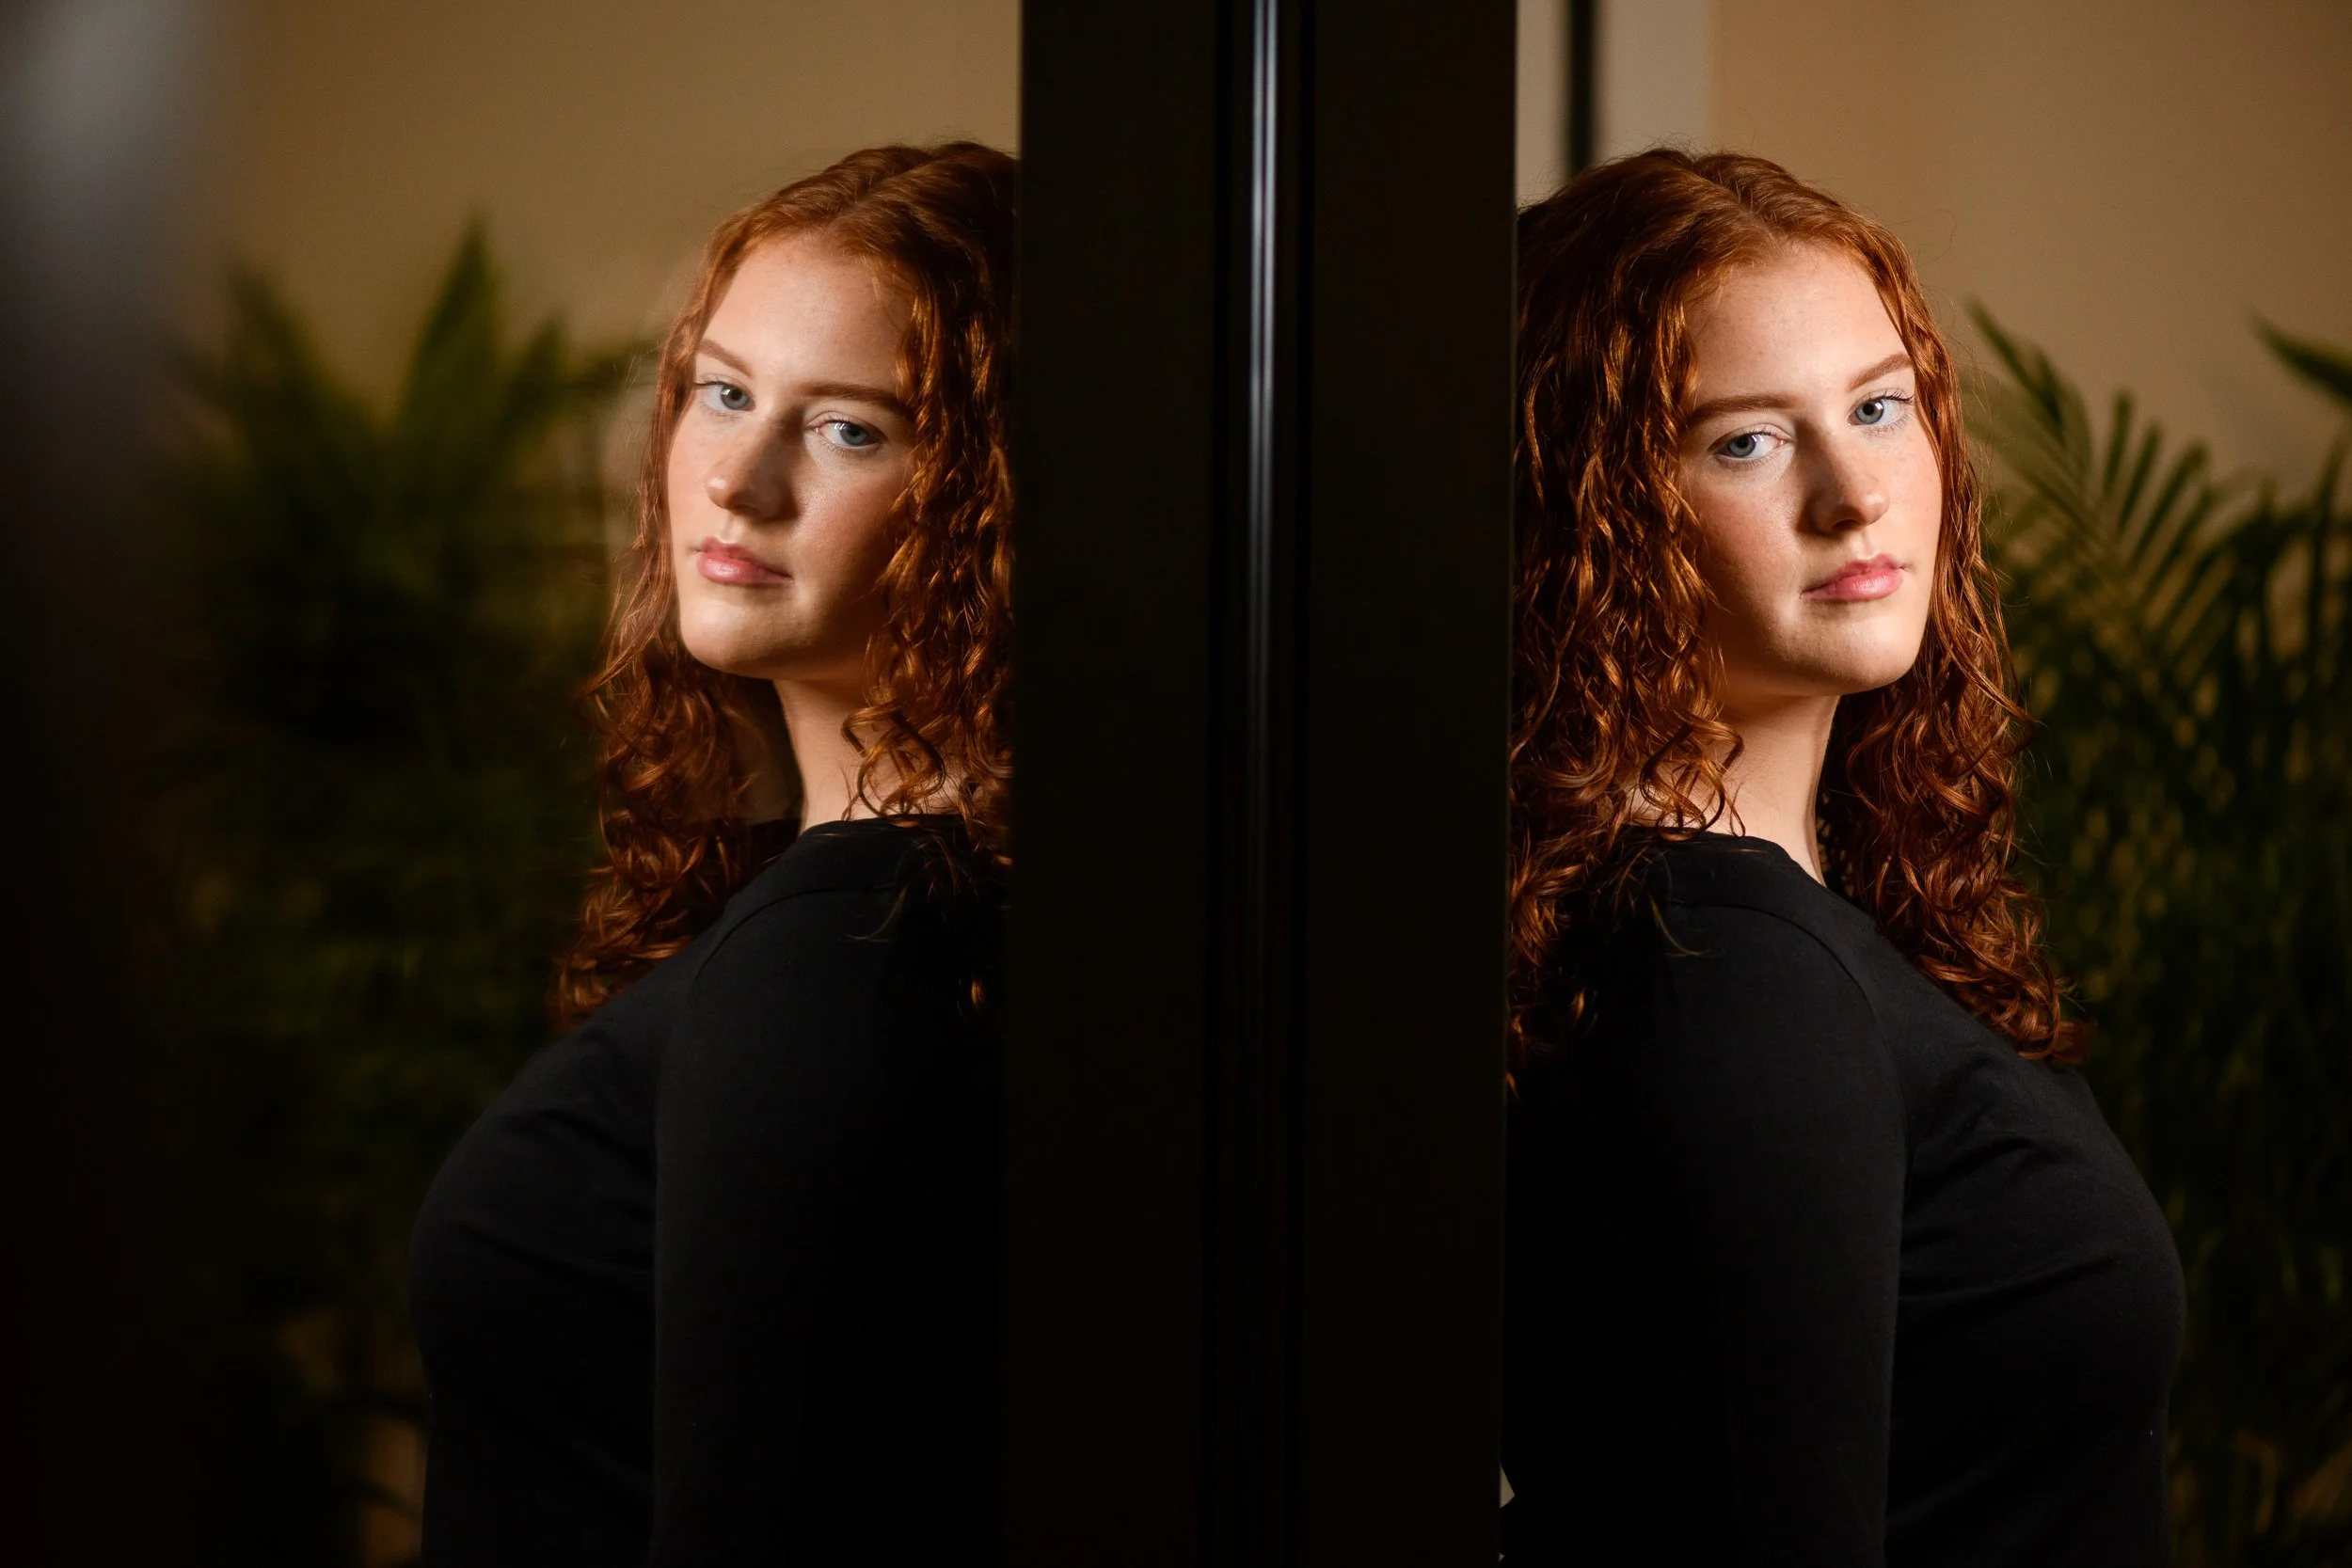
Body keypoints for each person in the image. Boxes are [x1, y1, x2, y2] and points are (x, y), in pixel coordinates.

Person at [1501, 150, 2183, 1566]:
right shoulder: (1730, 967)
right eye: (1745, 442)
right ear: (1592, 510)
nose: (1854, 496)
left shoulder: (1755, 922)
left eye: (1879, 407)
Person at [406, 142, 1014, 1564]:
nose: (738, 481)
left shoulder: (847, 948)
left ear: (992, 497)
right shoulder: (872, 905)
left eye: (850, 429)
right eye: (723, 393)